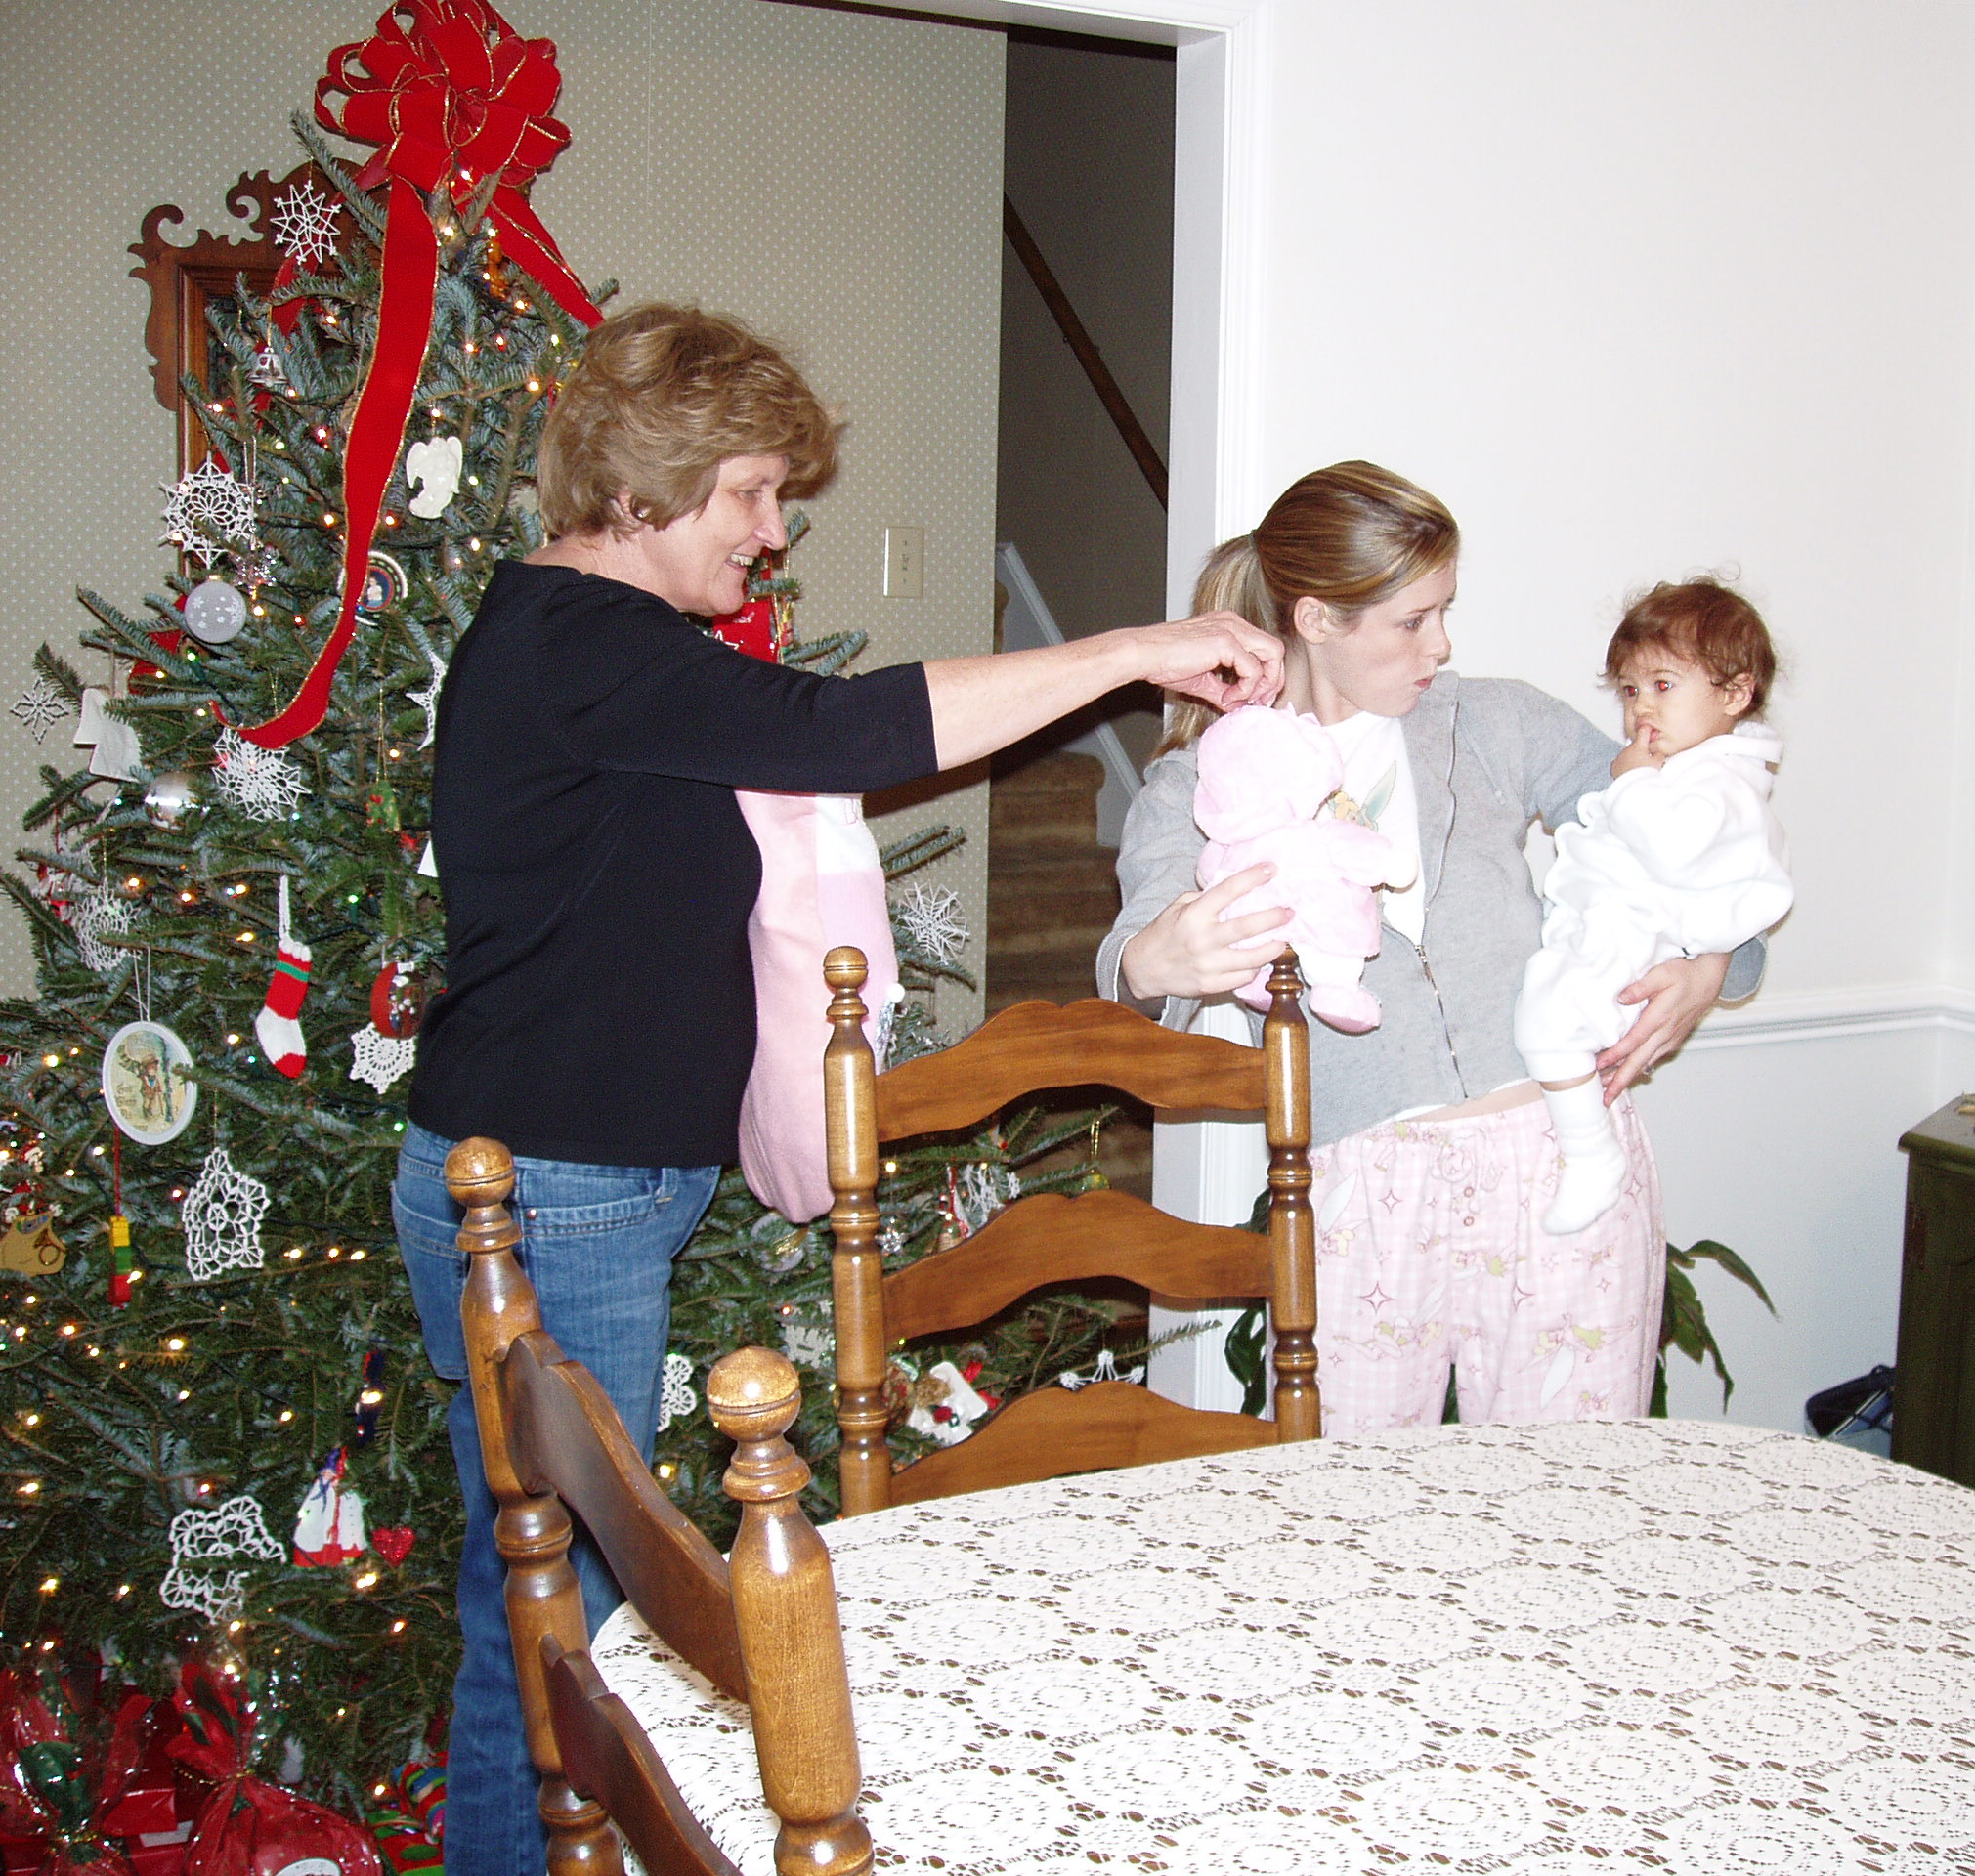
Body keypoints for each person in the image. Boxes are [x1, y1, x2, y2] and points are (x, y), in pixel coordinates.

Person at [393, 303, 1280, 1876]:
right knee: (556, 1606)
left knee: (544, 1592)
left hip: (567, 1176)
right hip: (552, 1184)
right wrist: (1140, 652)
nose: (772, 530)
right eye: (748, 492)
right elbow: (848, 731)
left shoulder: (594, 646)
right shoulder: (581, 641)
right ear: (641, 486)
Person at [1098, 462, 1765, 1433]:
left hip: (1561, 1163)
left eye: (1444, 612)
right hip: (1362, 1191)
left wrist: (1709, 967)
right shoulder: (1204, 782)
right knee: (1358, 1497)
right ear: (1316, 619)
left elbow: (1697, 840)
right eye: (1412, 620)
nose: (1441, 643)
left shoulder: (1495, 721)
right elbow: (1126, 968)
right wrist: (1156, 961)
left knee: (1570, 1491)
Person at [1515, 581, 1791, 1235]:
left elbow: (1673, 852)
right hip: (1623, 931)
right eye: (1631, 690)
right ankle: (1590, 1150)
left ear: (1735, 694)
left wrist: (1632, 781)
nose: (1642, 707)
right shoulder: (1689, 769)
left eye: (1664, 685)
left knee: (1545, 1023)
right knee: (1546, 1013)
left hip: (1642, 942)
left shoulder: (1720, 781)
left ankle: (1592, 1155)